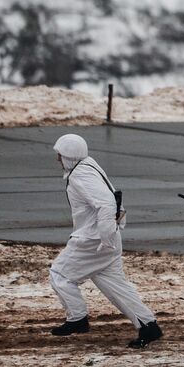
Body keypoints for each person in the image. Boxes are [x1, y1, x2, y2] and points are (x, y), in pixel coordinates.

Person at [48, 133, 162, 348]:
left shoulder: (80, 175)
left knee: (59, 275)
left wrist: (106, 236)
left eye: (60, 155)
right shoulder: (88, 165)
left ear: (69, 156)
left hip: (93, 240)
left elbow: (107, 204)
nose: (57, 160)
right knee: (116, 286)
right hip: (104, 239)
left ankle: (77, 319)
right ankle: (148, 325)